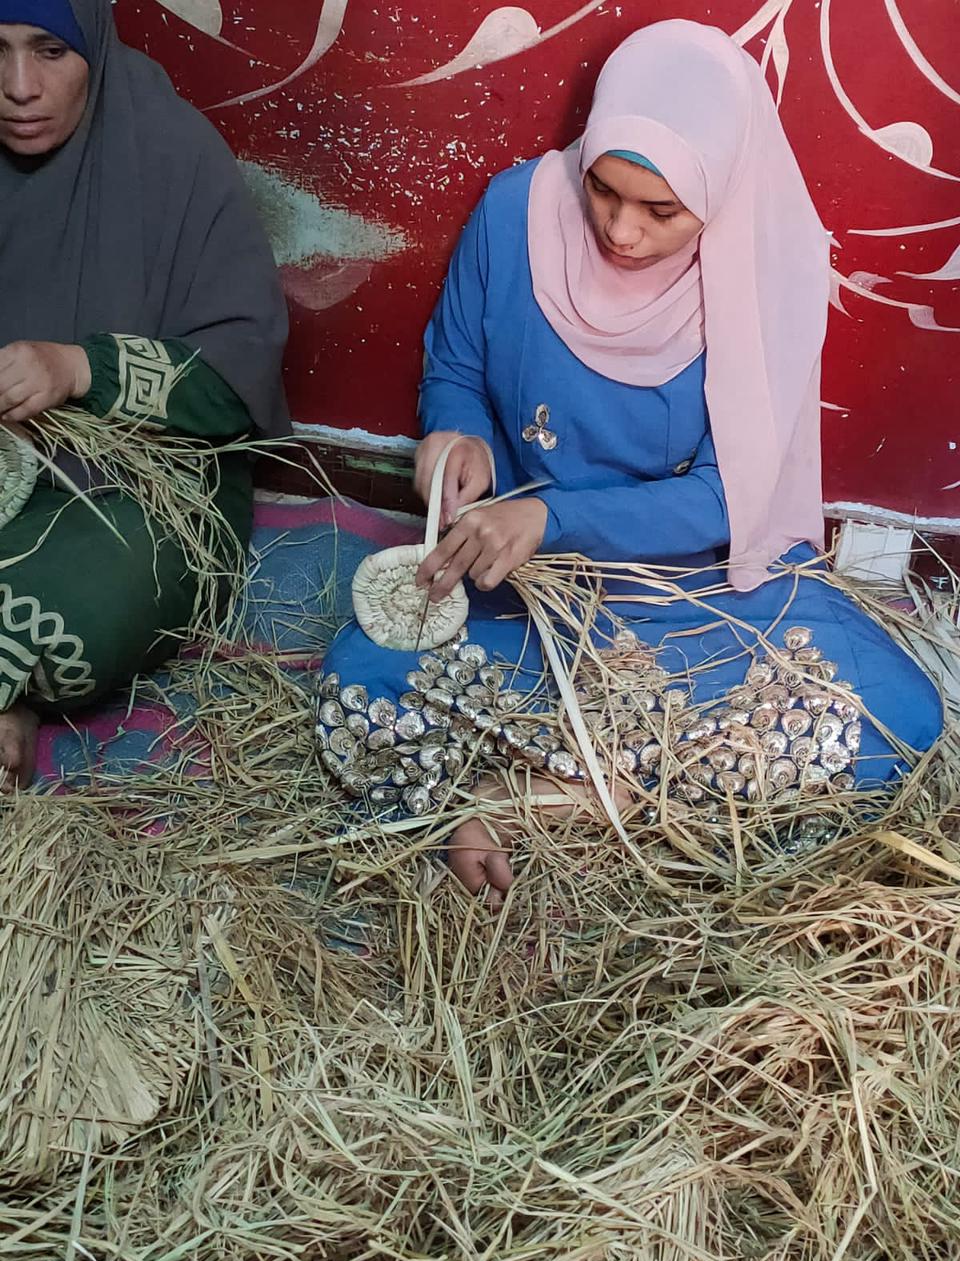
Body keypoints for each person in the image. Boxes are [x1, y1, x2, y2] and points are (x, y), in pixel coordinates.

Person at [317, 20, 943, 905]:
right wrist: (457, 441)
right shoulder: (515, 212)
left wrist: (554, 516)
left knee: (895, 714)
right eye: (603, 189)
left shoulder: (756, 270)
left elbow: (730, 498)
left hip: (689, 583)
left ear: (718, 194)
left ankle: (543, 794)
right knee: (365, 671)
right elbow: (455, 370)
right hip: (519, 573)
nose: (620, 230)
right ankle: (627, 786)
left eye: (662, 212)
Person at [0, 0, 289, 790]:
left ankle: (20, 684)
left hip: (144, 485)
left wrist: (81, 369)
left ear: (93, 47)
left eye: (50, 51)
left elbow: (236, 376)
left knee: (82, 602)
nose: (19, 86)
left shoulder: (170, 152)